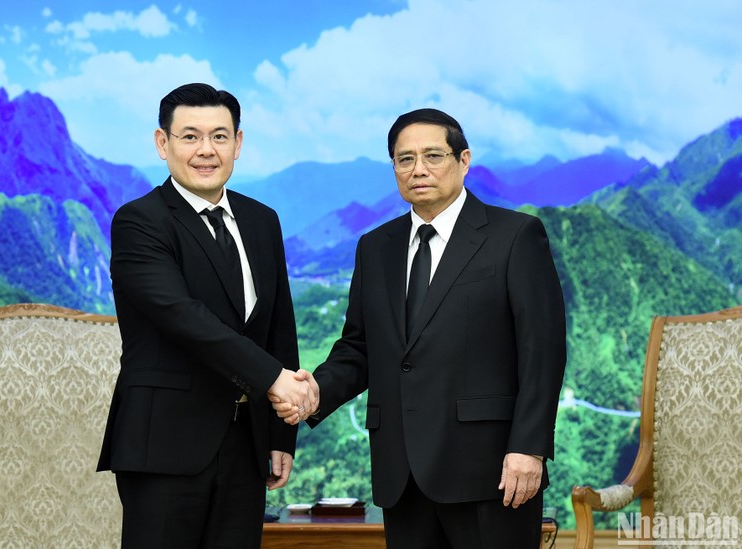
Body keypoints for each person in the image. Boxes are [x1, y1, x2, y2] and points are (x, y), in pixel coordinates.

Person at [274, 108, 566, 548]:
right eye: (404, 159)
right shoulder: (375, 248)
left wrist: (529, 447)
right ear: (393, 167)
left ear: (463, 160)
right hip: (401, 472)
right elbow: (359, 348)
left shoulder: (515, 236)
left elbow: (542, 351)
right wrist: (314, 392)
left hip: (492, 473)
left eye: (433, 155)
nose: (419, 169)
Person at [97, 82, 317, 548]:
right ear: (163, 143)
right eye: (190, 136)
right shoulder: (139, 221)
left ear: (238, 144)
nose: (206, 150)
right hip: (164, 443)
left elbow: (279, 324)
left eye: (219, 136)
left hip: (246, 444)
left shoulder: (262, 220)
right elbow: (183, 317)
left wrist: (281, 434)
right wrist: (275, 379)